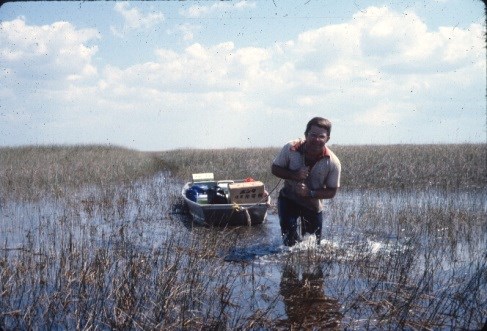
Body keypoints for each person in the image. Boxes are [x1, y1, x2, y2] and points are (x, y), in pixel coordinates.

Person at [271, 117, 341, 246]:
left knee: (311, 245)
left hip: (312, 204)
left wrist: (310, 193)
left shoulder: (333, 162)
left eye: (321, 136)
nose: (316, 140)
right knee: (289, 241)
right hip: (288, 199)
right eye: (313, 135)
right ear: (306, 134)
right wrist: (294, 175)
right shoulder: (290, 148)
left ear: (328, 139)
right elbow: (275, 169)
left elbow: (331, 192)